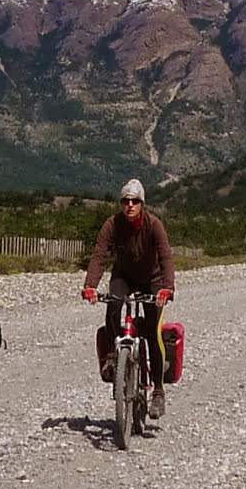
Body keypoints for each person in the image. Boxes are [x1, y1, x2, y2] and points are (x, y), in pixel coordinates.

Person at [81, 177, 175, 419]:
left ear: (142, 204)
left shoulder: (154, 225)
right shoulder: (112, 224)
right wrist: (90, 285)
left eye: (135, 201)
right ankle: (113, 358)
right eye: (126, 201)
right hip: (123, 276)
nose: (130, 205)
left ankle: (158, 391)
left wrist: (167, 288)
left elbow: (165, 256)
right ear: (121, 204)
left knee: (154, 333)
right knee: (113, 305)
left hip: (152, 279)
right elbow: (100, 255)